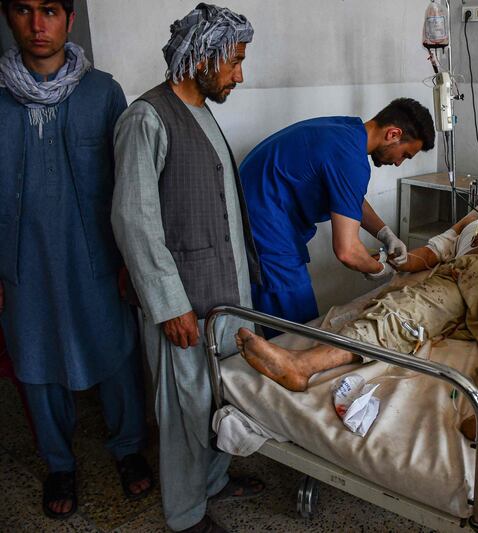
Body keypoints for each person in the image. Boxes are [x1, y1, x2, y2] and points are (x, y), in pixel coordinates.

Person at [236, 191, 478, 447]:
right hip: (458, 273)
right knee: (400, 310)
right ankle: (303, 365)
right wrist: (391, 260)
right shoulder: (474, 224)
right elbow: (429, 254)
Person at [111, 4, 265, 532]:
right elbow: (134, 218)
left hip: (223, 295)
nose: (239, 74)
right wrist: (169, 304)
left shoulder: (201, 110)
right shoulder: (146, 118)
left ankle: (215, 481)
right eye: (234, 62)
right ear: (202, 56)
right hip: (184, 302)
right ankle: (184, 513)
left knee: (220, 396)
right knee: (182, 409)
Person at [0, 0, 152, 520]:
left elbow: (131, 185)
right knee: (36, 363)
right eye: (23, 10)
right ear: (7, 16)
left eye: (49, 10)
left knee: (114, 351)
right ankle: (59, 463)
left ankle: (129, 450)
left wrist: (132, 259)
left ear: (68, 18)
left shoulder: (102, 92)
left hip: (95, 260)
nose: (37, 24)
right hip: (21, 265)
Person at [238, 98, 435, 336]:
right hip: (266, 233)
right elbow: (347, 252)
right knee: (296, 335)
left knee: (283, 324)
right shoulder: (350, 158)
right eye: (405, 154)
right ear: (393, 134)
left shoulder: (347, 132)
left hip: (256, 220)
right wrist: (382, 269)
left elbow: (348, 196)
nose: (398, 162)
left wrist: (385, 233)